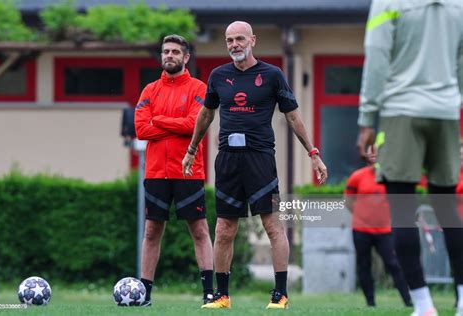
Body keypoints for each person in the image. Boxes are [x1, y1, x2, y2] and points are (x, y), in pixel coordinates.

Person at [182, 21, 328, 309]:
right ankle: (221, 296)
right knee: (224, 228)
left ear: (252, 41)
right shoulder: (218, 76)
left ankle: (280, 294)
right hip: (227, 161)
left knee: (273, 226)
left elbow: (293, 117)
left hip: (260, 160)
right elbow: (206, 116)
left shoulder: (272, 75)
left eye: (239, 39)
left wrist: (313, 152)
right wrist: (191, 149)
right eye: (229, 40)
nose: (234, 45)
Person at [357, 1, 463, 315]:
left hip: (400, 111)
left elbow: (376, 58)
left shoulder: (388, 2)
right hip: (445, 111)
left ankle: (423, 305)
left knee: (403, 211)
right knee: (448, 210)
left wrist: (366, 118)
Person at [134, 34, 214, 307]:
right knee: (151, 232)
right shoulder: (149, 90)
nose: (169, 55)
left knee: (200, 231)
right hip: (156, 172)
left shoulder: (199, 88)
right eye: (165, 51)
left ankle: (208, 293)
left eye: (175, 52)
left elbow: (196, 124)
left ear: (186, 57)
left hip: (189, 171)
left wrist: (160, 120)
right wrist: (175, 123)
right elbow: (141, 129)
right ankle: (144, 294)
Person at [345, 165, 412, 308]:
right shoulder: (357, 176)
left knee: (394, 264)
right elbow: (348, 201)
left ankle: (408, 301)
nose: (374, 155)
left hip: (385, 230)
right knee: (364, 265)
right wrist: (362, 216)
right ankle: (371, 303)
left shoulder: (390, 176)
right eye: (371, 151)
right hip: (361, 229)